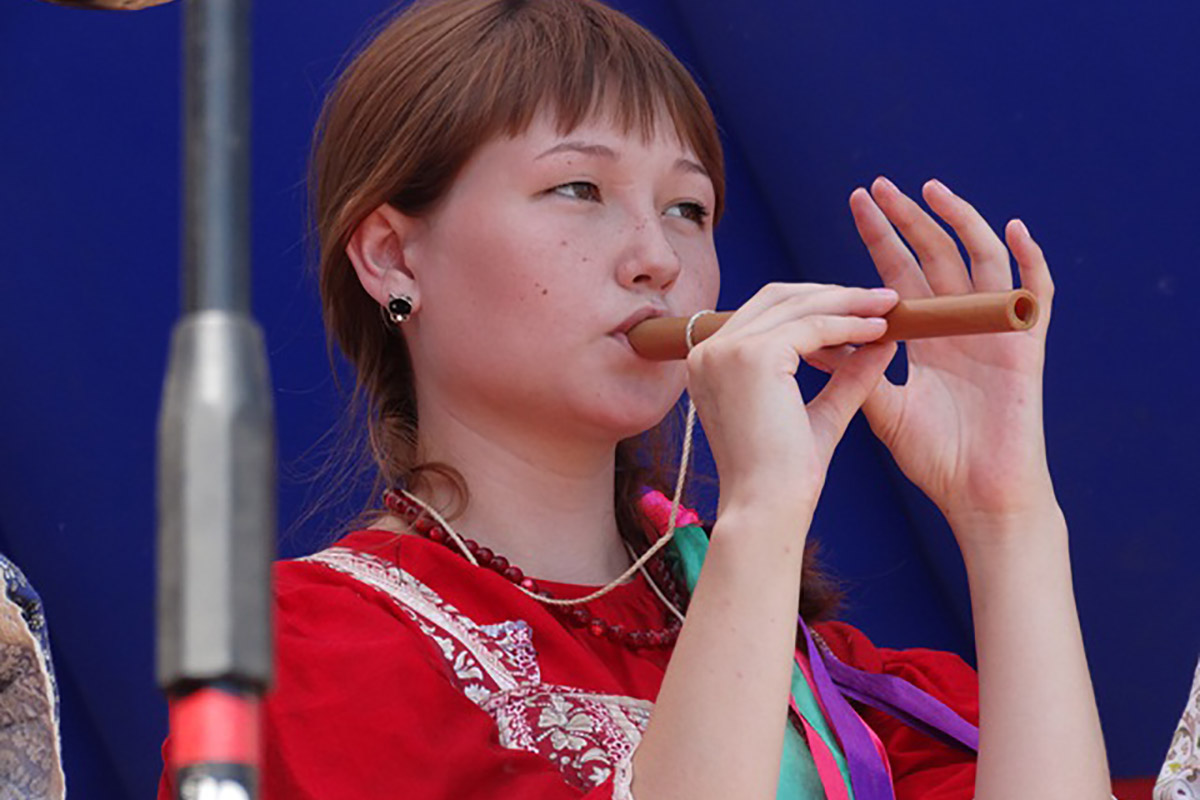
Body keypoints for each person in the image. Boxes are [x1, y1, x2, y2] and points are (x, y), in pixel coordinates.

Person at [155, 0, 1112, 797]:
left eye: (688, 208)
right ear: (393, 257)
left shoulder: (834, 681)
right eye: (578, 189)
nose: (658, 257)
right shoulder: (302, 657)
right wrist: (760, 515)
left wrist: (1006, 517)